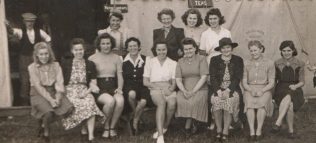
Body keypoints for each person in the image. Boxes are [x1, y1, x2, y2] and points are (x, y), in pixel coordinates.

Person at [60, 38, 104, 142]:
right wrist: (64, 93)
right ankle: (84, 129)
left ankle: (90, 135)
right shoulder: (66, 63)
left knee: (89, 102)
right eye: (76, 50)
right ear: (72, 51)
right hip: (69, 90)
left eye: (80, 49)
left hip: (85, 89)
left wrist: (86, 93)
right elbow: (61, 81)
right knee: (78, 104)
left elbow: (93, 83)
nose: (78, 52)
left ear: (84, 50)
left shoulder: (90, 64)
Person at [28, 42, 73, 142]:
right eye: (41, 54)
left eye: (46, 54)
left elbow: (59, 82)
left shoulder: (56, 65)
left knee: (69, 109)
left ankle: (44, 123)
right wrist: (50, 100)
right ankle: (46, 133)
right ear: (37, 55)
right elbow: (38, 87)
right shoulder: (32, 67)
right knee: (49, 113)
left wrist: (57, 97)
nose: (44, 56)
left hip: (54, 90)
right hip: (38, 92)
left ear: (50, 54)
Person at [88, 33, 124, 138]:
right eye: (103, 43)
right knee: (110, 101)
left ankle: (112, 127)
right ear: (99, 45)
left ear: (111, 44)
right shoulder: (92, 58)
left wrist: (120, 88)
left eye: (108, 43)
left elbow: (119, 75)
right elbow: (89, 77)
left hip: (113, 85)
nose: (106, 46)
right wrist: (93, 87)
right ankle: (106, 126)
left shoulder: (117, 57)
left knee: (120, 101)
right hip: (99, 87)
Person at [12, 12, 51, 105]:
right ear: (24, 22)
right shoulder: (20, 31)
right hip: (24, 59)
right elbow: (10, 30)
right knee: (25, 82)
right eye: (27, 21)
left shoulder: (40, 32)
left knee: (38, 80)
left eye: (31, 22)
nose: (29, 24)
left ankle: (38, 103)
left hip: (35, 59)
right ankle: (25, 105)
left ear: (34, 22)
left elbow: (49, 39)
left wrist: (44, 51)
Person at [209, 38, 243, 142]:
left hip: (233, 88)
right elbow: (213, 77)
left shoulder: (238, 60)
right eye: (223, 48)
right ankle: (218, 129)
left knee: (229, 101)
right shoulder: (214, 60)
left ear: (232, 48)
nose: (226, 50)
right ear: (220, 49)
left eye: (228, 47)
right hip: (217, 87)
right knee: (217, 101)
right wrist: (218, 91)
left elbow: (238, 77)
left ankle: (225, 131)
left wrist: (228, 90)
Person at [143, 42, 177, 143]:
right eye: (159, 50)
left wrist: (170, 89)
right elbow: (145, 82)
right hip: (154, 87)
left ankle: (165, 126)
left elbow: (174, 82)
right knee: (161, 103)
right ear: (155, 50)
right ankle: (160, 135)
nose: (161, 52)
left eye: (164, 49)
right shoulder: (150, 62)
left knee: (172, 104)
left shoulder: (173, 63)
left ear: (167, 50)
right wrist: (159, 88)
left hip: (168, 87)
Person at [271, 40, 305, 139]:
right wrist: (272, 95)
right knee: (289, 104)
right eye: (284, 50)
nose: (286, 53)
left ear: (293, 50)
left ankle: (278, 123)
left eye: (289, 50)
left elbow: (302, 81)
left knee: (290, 97)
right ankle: (291, 131)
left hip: (295, 88)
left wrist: (295, 86)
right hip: (281, 88)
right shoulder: (277, 63)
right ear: (281, 51)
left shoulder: (300, 63)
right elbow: (275, 80)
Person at [175, 38, 208, 136]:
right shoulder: (180, 61)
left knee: (194, 101)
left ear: (195, 48)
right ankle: (192, 122)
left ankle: (189, 125)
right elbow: (178, 79)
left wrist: (193, 91)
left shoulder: (201, 59)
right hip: (185, 88)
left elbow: (204, 77)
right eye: (186, 49)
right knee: (181, 99)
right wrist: (184, 90)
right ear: (183, 50)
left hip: (200, 87)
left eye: (190, 48)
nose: (188, 51)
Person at [242, 40, 275, 141]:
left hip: (264, 88)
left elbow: (271, 82)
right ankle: (252, 131)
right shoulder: (246, 63)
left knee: (262, 104)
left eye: (255, 50)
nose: (253, 53)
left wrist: (263, 91)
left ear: (261, 49)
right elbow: (244, 81)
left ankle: (259, 131)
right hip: (250, 88)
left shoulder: (269, 63)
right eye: (251, 51)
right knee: (249, 104)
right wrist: (250, 90)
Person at [122, 37, 152, 135]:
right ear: (127, 48)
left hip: (142, 85)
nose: (133, 48)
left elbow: (149, 75)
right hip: (129, 85)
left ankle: (134, 119)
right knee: (131, 94)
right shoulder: (122, 59)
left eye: (135, 46)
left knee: (143, 101)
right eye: (130, 46)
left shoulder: (146, 59)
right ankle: (137, 120)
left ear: (139, 47)